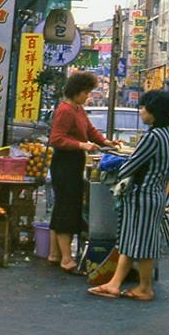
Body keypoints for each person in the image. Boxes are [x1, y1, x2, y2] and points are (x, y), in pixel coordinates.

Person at [87, 90, 169, 301]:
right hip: (155, 194)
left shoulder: (153, 137)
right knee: (129, 240)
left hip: (143, 196)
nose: (141, 111)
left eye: (143, 107)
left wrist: (113, 162)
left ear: (153, 112)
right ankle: (114, 283)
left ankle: (145, 288)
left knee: (143, 243)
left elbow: (130, 166)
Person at [47, 71, 117, 273]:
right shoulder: (65, 110)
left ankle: (54, 253)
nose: (88, 96)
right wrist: (81, 145)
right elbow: (57, 139)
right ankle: (66, 259)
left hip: (74, 162)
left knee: (63, 207)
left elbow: (90, 130)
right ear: (76, 91)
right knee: (67, 209)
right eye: (86, 92)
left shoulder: (78, 109)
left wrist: (105, 141)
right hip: (64, 164)